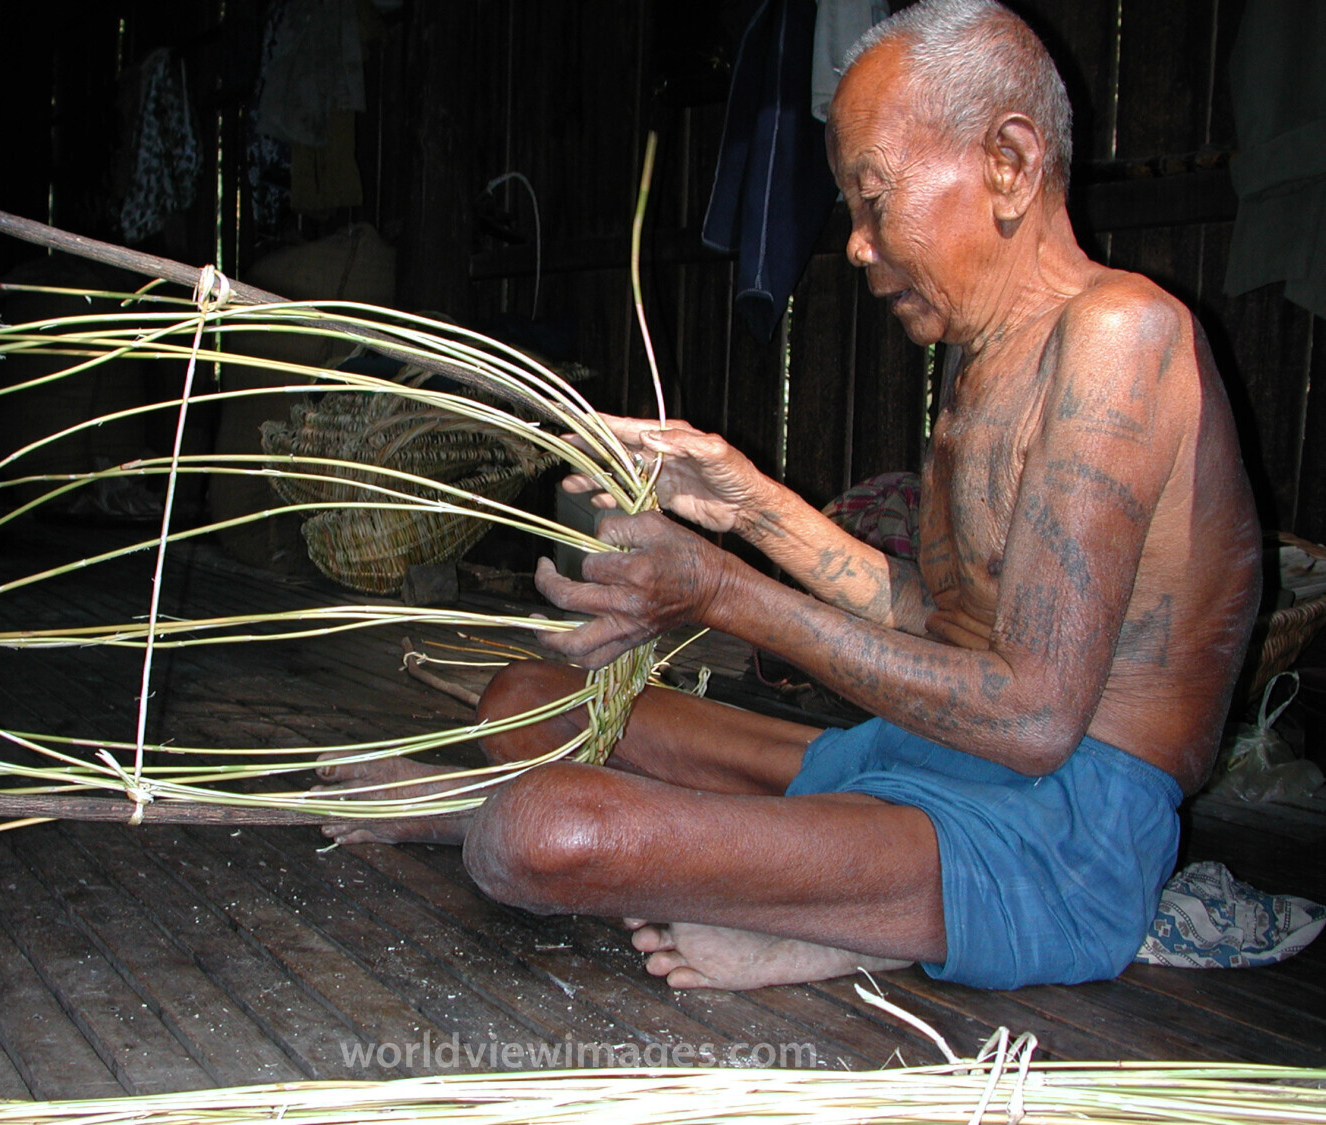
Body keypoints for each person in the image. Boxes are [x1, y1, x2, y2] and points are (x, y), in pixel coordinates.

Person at [316, 0, 1262, 991]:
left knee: (535, 829)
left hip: (1060, 828)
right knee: (525, 700)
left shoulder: (1123, 334)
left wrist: (723, 592)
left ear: (1010, 166)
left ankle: (824, 907)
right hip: (927, 757)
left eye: (871, 198)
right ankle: (818, 897)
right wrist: (753, 505)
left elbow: (1031, 719)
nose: (854, 244)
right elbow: (942, 624)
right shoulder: (985, 368)